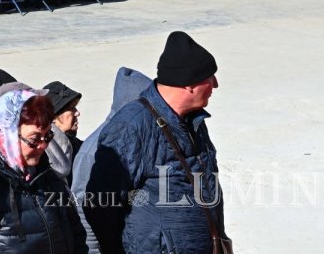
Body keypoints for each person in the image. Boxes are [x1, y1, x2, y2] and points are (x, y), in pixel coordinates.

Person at [82, 32, 227, 254]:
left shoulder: (194, 121)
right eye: (209, 78)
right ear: (189, 84)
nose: (215, 85)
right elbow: (100, 204)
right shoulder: (131, 127)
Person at [0, 87, 85, 254]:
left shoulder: (47, 176)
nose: (43, 146)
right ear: (7, 134)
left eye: (47, 136)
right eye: (34, 139)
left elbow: (76, 234)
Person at [42, 81, 83, 184]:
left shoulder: (81, 149)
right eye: (71, 108)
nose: (77, 113)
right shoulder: (42, 155)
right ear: (53, 117)